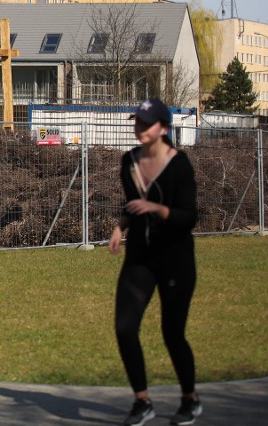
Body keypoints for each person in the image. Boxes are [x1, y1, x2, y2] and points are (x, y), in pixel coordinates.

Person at [109, 98, 202, 426]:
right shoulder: (128, 161)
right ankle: (142, 401)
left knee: (172, 333)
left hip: (175, 259)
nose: (140, 128)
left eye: (146, 123)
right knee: (125, 327)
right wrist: (121, 227)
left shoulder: (180, 164)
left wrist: (157, 210)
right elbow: (131, 205)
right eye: (137, 122)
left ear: (163, 128)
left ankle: (190, 399)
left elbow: (189, 217)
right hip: (140, 259)